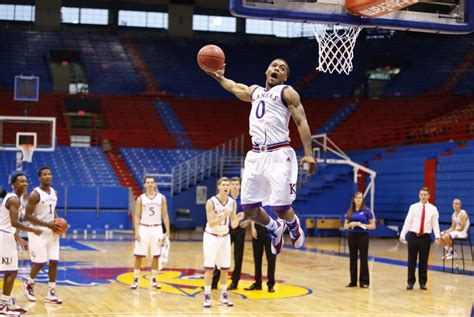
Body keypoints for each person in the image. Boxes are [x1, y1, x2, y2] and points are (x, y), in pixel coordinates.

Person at [207, 59, 317, 255]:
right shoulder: (255, 91)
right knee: (249, 210)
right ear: (267, 70)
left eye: (282, 68)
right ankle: (275, 228)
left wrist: (308, 154)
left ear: (285, 77)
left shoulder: (287, 93)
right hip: (256, 155)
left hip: (279, 153)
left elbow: (302, 121)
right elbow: (233, 87)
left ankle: (292, 223)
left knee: (280, 208)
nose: (277, 69)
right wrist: (219, 77)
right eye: (274, 66)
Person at [0, 173, 42, 315]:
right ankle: (3, 305)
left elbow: (8, 223)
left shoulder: (15, 198)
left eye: (26, 181)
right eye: (21, 182)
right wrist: (32, 230)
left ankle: (7, 302)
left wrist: (18, 238)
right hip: (4, 237)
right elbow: (13, 222)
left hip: (8, 235)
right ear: (13, 184)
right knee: (11, 272)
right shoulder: (14, 200)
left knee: (10, 271)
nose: (24, 184)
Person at [22, 167, 63, 304]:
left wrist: (58, 222)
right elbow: (27, 216)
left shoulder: (54, 192)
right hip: (37, 232)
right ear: (39, 177)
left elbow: (53, 211)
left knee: (54, 261)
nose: (47, 176)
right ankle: (28, 284)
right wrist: (48, 225)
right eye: (44, 174)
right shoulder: (35, 194)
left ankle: (51, 292)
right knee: (40, 262)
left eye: (49, 174)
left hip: (52, 231)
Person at [203, 177, 244, 308]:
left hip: (225, 236)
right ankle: (207, 296)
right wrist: (223, 216)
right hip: (211, 236)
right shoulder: (211, 202)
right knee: (209, 268)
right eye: (224, 185)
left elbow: (233, 225)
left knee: (225, 268)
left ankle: (224, 295)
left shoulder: (232, 202)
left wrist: (237, 218)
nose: (227, 187)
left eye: (228, 185)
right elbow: (211, 222)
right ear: (219, 187)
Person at [131, 176, 171, 290]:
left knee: (156, 255)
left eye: (152, 182)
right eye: (148, 182)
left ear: (154, 184)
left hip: (157, 228)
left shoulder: (161, 198)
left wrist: (167, 230)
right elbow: (137, 216)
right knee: (139, 255)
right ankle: (135, 280)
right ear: (144, 185)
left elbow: (165, 215)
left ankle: (153, 280)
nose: (150, 184)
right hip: (144, 228)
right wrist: (136, 231)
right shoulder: (141, 199)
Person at [212, 177, 249, 290]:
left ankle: (235, 282)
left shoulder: (245, 198)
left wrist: (248, 220)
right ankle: (214, 282)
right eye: (232, 184)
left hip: (240, 229)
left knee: (238, 256)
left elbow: (251, 212)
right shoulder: (226, 199)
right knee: (221, 255)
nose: (234, 186)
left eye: (236, 184)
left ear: (240, 186)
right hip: (226, 230)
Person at [400, 187, 440, 290]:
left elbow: (435, 224)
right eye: (421, 194)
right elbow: (408, 222)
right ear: (419, 195)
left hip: (425, 237)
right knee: (411, 260)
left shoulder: (433, 209)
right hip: (413, 236)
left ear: (429, 196)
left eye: (425, 194)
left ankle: (423, 283)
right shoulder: (413, 207)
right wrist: (403, 234)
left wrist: (437, 237)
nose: (423, 196)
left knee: (424, 261)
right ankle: (410, 282)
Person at [343, 192, 376, 288]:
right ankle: (353, 281)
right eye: (356, 197)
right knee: (353, 259)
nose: (358, 199)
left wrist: (363, 225)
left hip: (363, 236)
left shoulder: (367, 211)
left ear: (362, 199)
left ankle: (364, 282)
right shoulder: (349, 211)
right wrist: (350, 225)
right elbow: (345, 226)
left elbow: (373, 226)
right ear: (354, 199)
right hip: (352, 236)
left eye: (360, 198)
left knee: (363, 258)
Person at [245, 209, 277, 293]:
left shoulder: (275, 198)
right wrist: (252, 227)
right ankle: (257, 283)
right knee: (257, 258)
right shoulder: (258, 197)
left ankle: (270, 284)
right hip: (258, 228)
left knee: (271, 259)